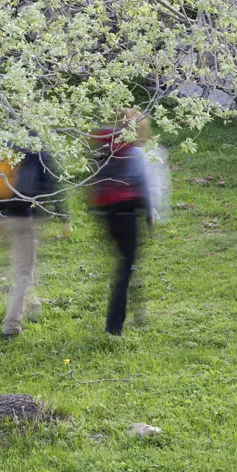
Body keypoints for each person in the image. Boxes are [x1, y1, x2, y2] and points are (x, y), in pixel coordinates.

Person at [0, 137, 70, 339]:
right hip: (25, 217)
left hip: (2, 215)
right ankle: (11, 326)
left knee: (21, 265)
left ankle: (32, 303)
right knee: (24, 272)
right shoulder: (38, 148)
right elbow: (54, 181)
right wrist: (63, 216)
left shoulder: (4, 143)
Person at [90, 110, 154, 336]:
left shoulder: (105, 145)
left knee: (127, 261)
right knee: (126, 267)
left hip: (106, 212)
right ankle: (114, 326)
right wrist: (149, 213)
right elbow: (143, 181)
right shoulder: (134, 151)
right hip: (128, 212)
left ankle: (139, 311)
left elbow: (93, 176)